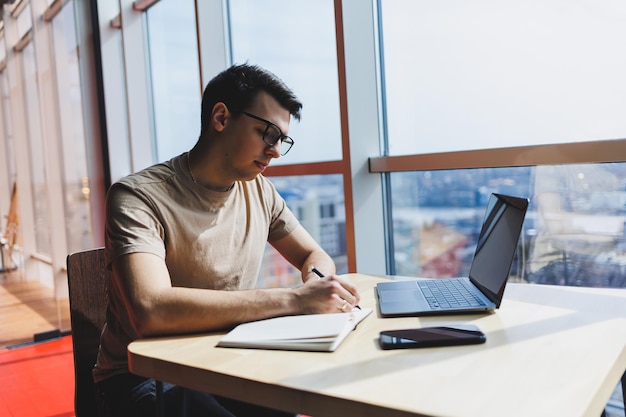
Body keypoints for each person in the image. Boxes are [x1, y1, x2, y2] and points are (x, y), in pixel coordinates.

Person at [93, 63, 361, 417]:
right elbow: (151, 311)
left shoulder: (259, 190)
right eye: (268, 134)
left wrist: (315, 284)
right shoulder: (138, 197)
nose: (276, 150)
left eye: (282, 139)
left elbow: (313, 253)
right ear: (220, 117)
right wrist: (295, 300)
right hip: (145, 374)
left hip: (225, 358)